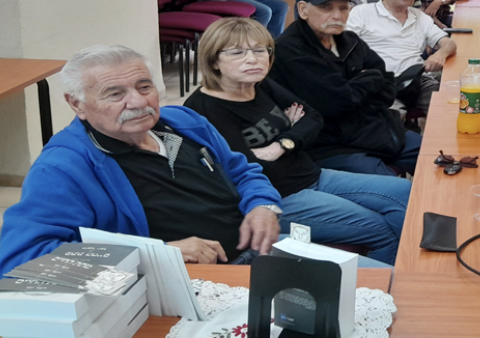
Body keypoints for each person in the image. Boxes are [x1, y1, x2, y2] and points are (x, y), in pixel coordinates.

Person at [0, 45, 282, 273]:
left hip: (259, 249)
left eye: (144, 87)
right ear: (77, 104)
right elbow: (22, 258)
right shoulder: (62, 168)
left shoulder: (184, 121)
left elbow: (243, 172)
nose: (138, 102)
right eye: (115, 94)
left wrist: (263, 206)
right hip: (186, 282)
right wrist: (158, 254)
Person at [184, 18, 410, 264]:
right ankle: (384, 285)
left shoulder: (259, 84)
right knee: (381, 228)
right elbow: (248, 168)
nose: (252, 59)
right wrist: (291, 128)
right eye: (237, 52)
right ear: (213, 61)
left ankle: (417, 269)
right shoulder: (205, 109)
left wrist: (283, 143)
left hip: (311, 174)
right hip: (278, 198)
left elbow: (313, 116)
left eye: (260, 50)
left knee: (405, 191)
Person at [269, 0, 421, 176]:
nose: (336, 15)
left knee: (439, 158)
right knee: (394, 187)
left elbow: (388, 85)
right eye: (326, 7)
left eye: (343, 8)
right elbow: (336, 102)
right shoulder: (289, 49)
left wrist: (358, 88)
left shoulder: (350, 40)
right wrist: (371, 79)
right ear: (303, 10)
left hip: (375, 129)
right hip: (329, 145)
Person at [346, 0, 457, 120]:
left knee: (451, 110)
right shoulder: (362, 12)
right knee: (390, 121)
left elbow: (449, 43)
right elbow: (344, 47)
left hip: (416, 80)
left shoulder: (420, 17)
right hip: (378, 84)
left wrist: (440, 54)